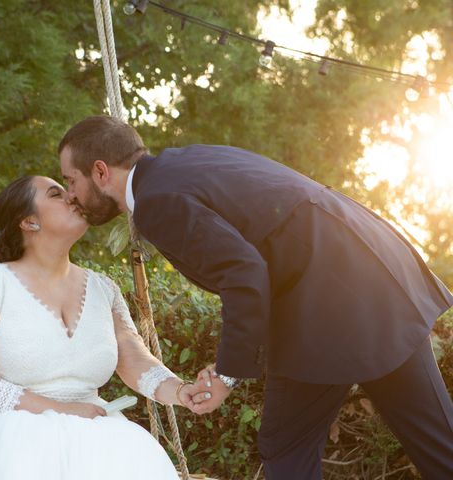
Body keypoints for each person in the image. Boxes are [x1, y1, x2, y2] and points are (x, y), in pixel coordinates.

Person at [58, 115, 453, 479]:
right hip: (374, 271)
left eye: (70, 181)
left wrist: (228, 374)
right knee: (438, 441)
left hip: (328, 304)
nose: (71, 194)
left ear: (100, 171)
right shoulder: (186, 161)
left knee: (287, 448)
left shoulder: (156, 202)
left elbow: (243, 273)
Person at [0, 175, 207, 480]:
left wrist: (180, 391)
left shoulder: (104, 288)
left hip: (99, 439)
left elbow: (135, 360)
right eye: (56, 194)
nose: (73, 197)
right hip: (10, 439)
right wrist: (61, 410)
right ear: (29, 221)